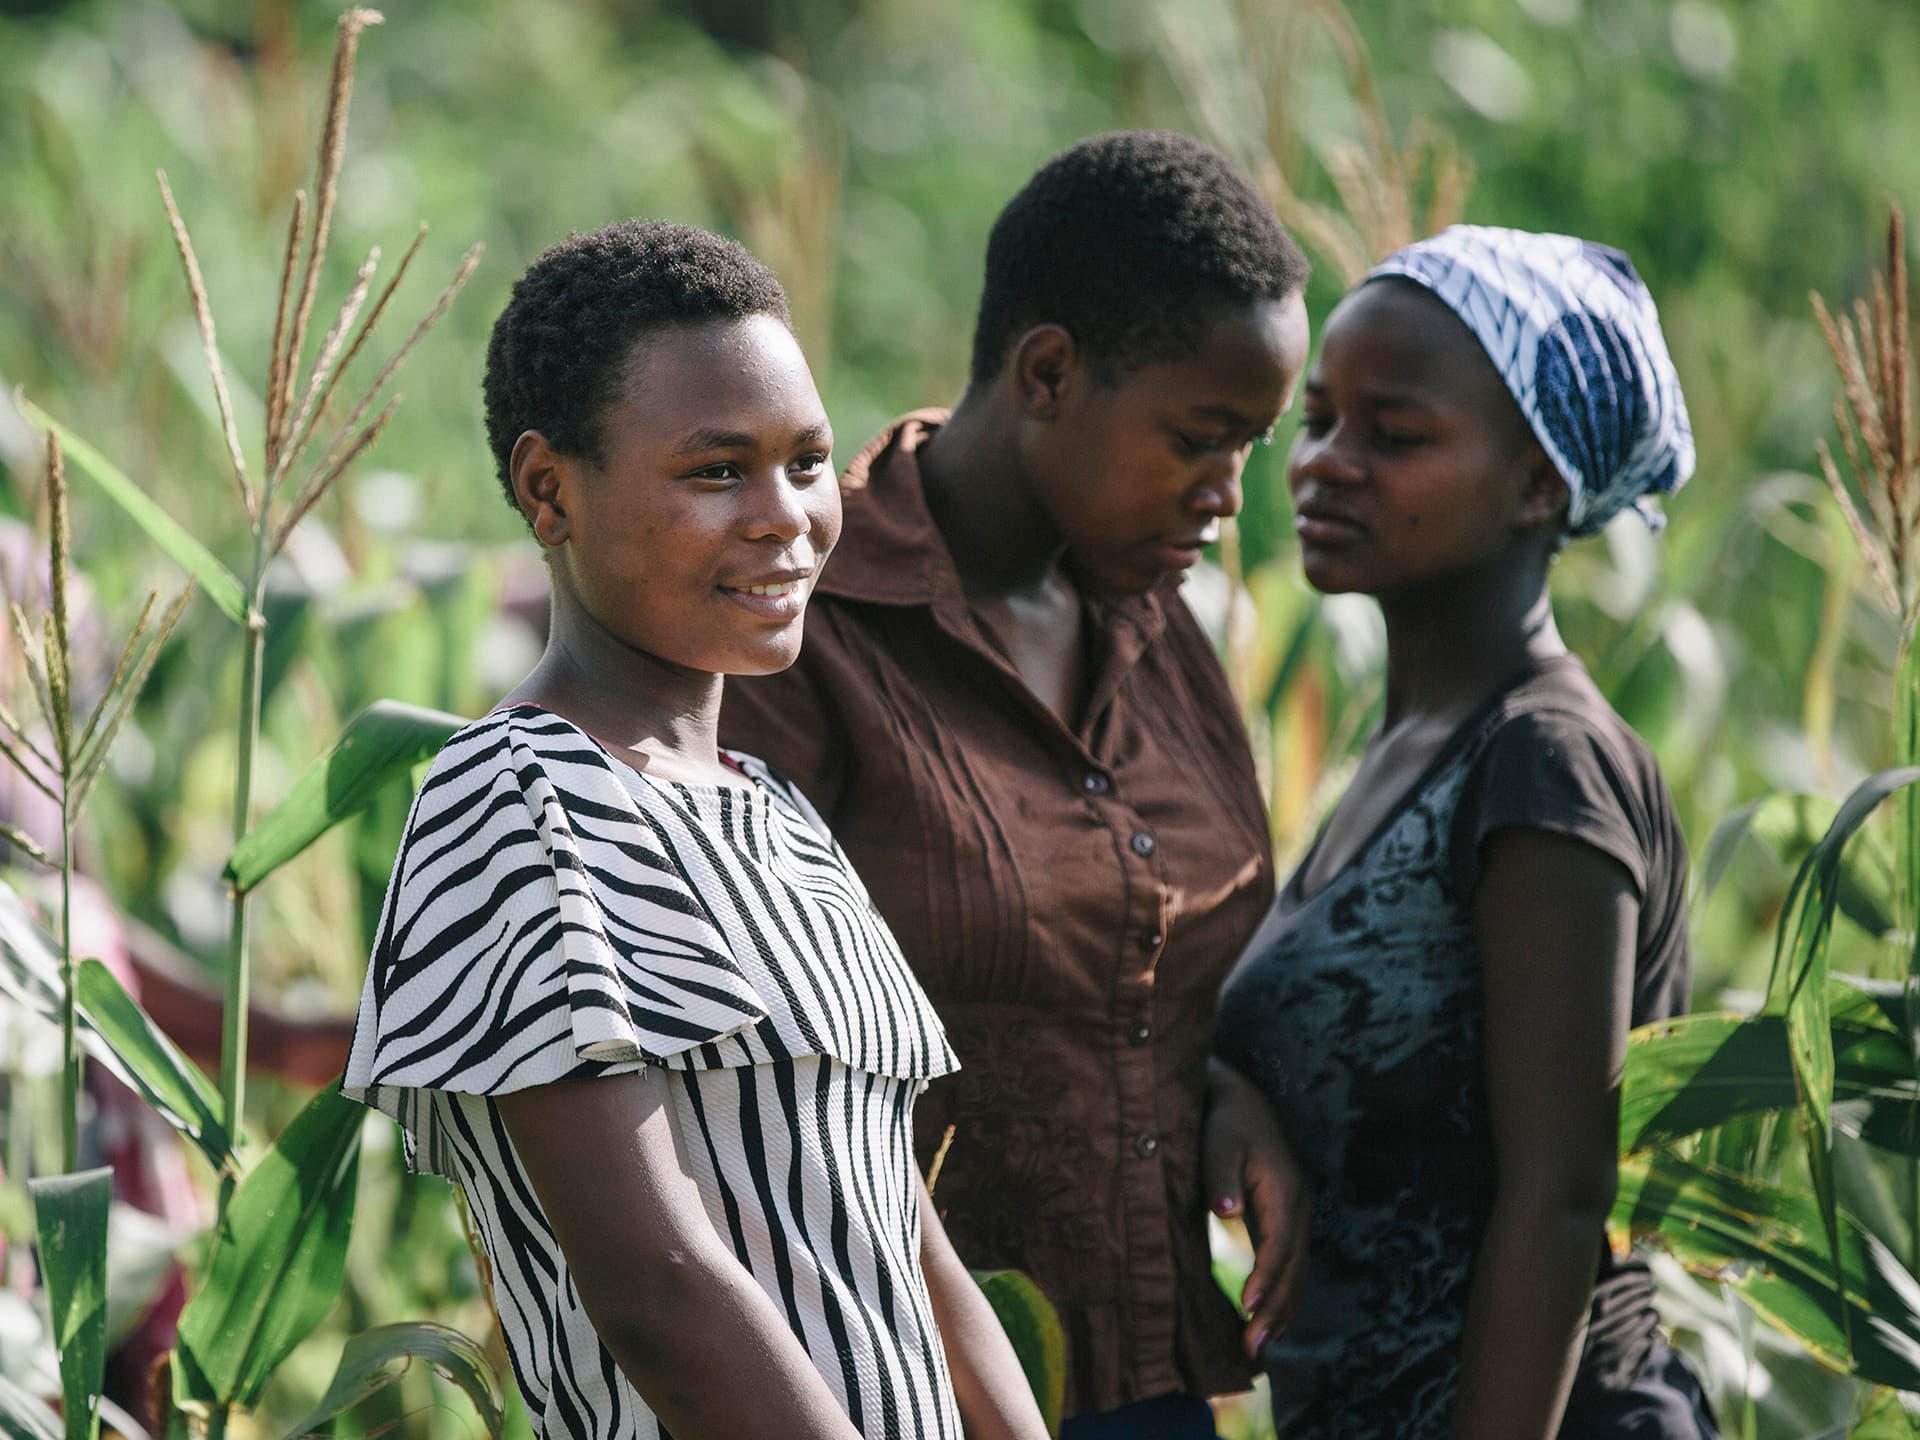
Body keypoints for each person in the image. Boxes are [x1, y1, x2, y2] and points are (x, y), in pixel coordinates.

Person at [341, 219, 1048, 1440]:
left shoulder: (774, 815)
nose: (785, 516)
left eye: (809, 461)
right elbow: (658, 1290)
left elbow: (907, 1241)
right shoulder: (514, 804)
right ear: (548, 490)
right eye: (717, 471)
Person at [721, 131, 1313, 1437]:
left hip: (1154, 1381)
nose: (1230, 496)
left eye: (1255, 447)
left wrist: (1225, 1089)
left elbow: (1148, 976)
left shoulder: (1165, 627)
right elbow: (757, 1070)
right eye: (1201, 439)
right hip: (889, 1388)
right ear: (1048, 373)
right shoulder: (799, 628)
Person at [1207, 226, 1719, 1438]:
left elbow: (1557, 1200)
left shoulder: (1545, 759)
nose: (1329, 464)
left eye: (1395, 434)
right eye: (1321, 421)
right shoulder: (1407, 753)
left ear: (1539, 483)